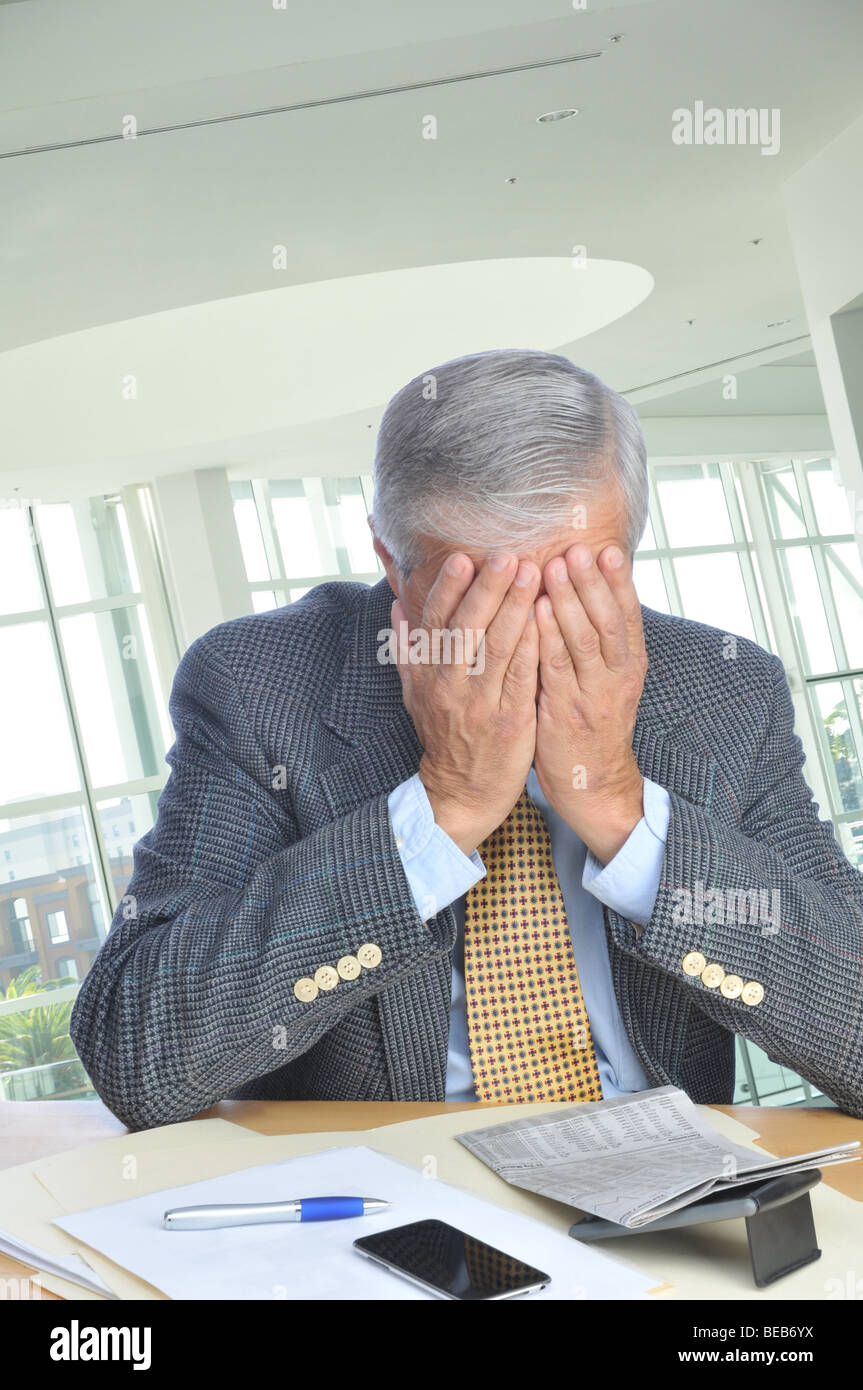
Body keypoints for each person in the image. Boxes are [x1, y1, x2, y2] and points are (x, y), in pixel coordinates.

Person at [70, 348, 863, 1130]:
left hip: (667, 1206)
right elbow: (139, 1059)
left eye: (571, 587)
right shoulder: (261, 686)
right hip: (385, 1209)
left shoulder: (724, 690)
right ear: (390, 557)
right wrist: (441, 806)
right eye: (481, 596)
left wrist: (621, 812)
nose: (527, 636)